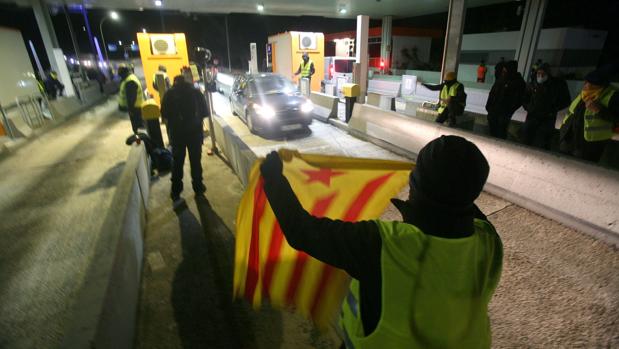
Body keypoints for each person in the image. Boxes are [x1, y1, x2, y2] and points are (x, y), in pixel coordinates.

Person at [260, 135, 503, 349]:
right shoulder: (488, 241)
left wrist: (273, 178)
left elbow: (301, 231)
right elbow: (461, 200)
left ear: (416, 186)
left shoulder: (384, 245)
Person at [161, 75, 208, 201]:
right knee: (195, 162)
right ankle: (198, 189)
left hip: (177, 135)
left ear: (174, 82)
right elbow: (205, 112)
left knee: (177, 162)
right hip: (194, 134)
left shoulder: (169, 94)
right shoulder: (196, 92)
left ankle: (175, 191)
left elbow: (164, 114)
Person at [560, 67, 619, 162]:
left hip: (589, 146)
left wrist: (599, 110)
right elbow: (572, 113)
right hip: (568, 140)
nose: (585, 86)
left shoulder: (612, 97)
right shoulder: (584, 94)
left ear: (599, 86)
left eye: (589, 83)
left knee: (581, 172)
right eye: (585, 82)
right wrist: (563, 129)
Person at [521, 64, 571, 149]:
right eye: (538, 73)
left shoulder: (556, 86)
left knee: (541, 142)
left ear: (548, 74)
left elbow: (566, 101)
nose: (540, 76)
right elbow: (524, 98)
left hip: (547, 119)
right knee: (526, 139)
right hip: (532, 117)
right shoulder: (532, 84)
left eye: (543, 74)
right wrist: (529, 107)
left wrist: (552, 111)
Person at [485, 60, 526, 139]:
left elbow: (520, 99)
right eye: (503, 70)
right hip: (493, 111)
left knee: (501, 132)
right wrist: (488, 107)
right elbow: (492, 93)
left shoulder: (518, 82)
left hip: (504, 113)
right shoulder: (501, 79)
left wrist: (509, 110)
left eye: (505, 71)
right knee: (492, 132)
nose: (503, 72)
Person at [117, 65, 144, 133]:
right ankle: (138, 136)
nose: (120, 77)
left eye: (120, 75)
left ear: (123, 73)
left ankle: (139, 137)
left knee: (137, 125)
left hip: (135, 108)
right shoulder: (129, 78)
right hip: (136, 107)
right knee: (137, 125)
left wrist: (130, 109)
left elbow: (131, 97)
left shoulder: (130, 81)